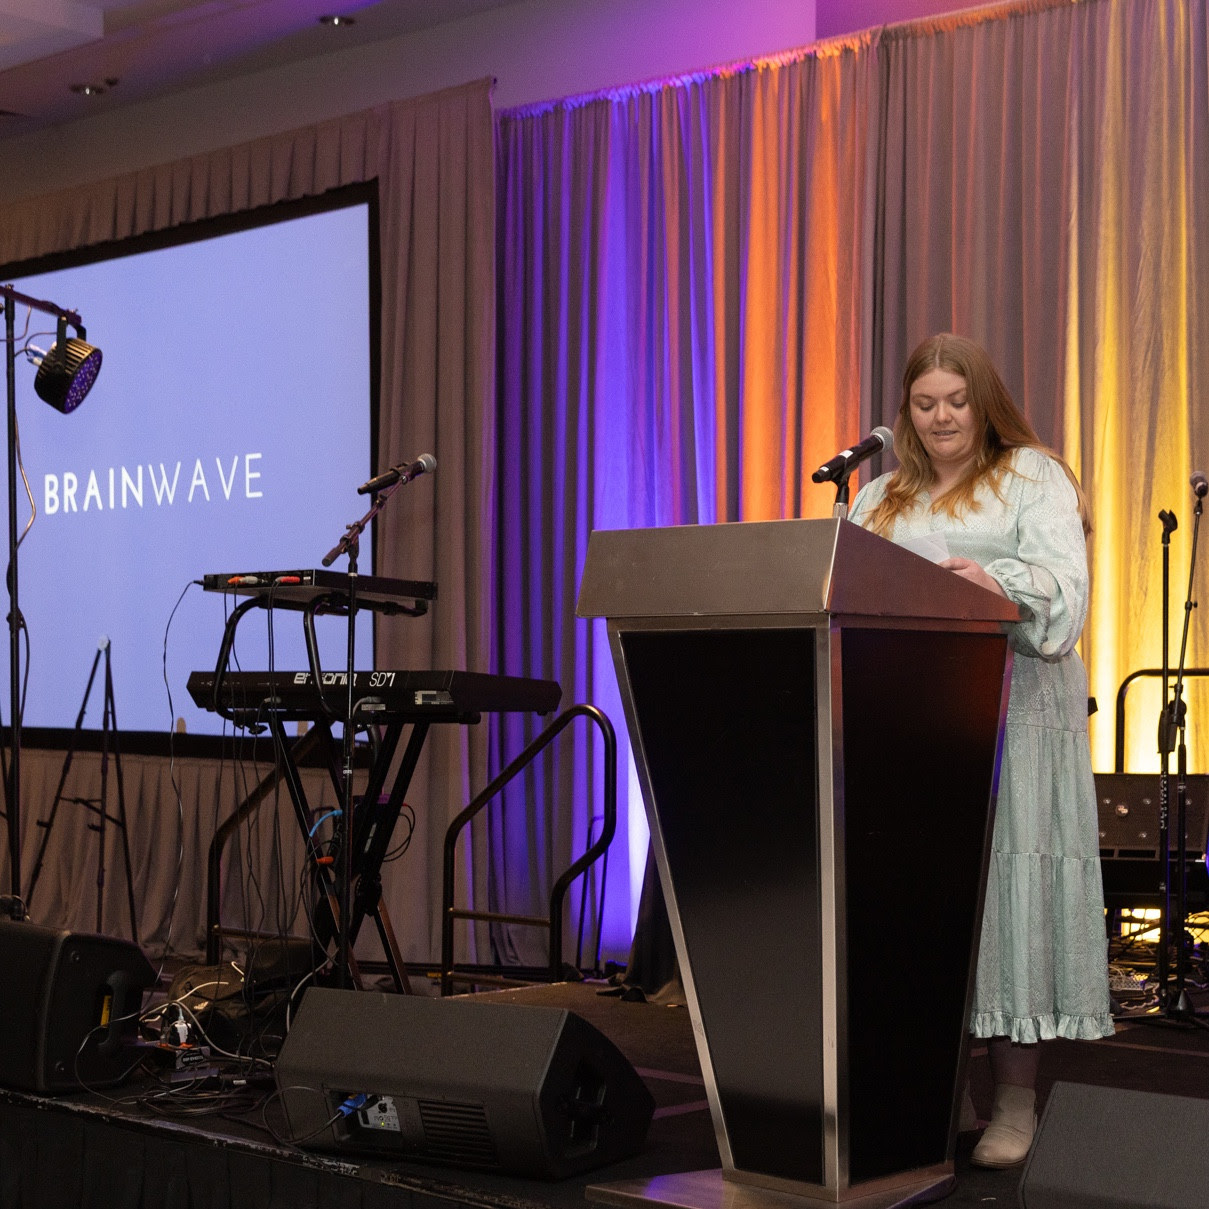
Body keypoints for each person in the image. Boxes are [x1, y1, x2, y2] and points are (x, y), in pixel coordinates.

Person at [849, 333, 1114, 1169]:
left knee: (1008, 901)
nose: (940, 418)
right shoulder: (878, 496)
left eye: (955, 402)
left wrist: (992, 584)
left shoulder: (1031, 475)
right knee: (921, 903)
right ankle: (940, 1089)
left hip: (1013, 713)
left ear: (984, 403)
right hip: (907, 727)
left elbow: (1064, 596)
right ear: (905, 410)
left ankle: (1013, 1100)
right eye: (924, 403)